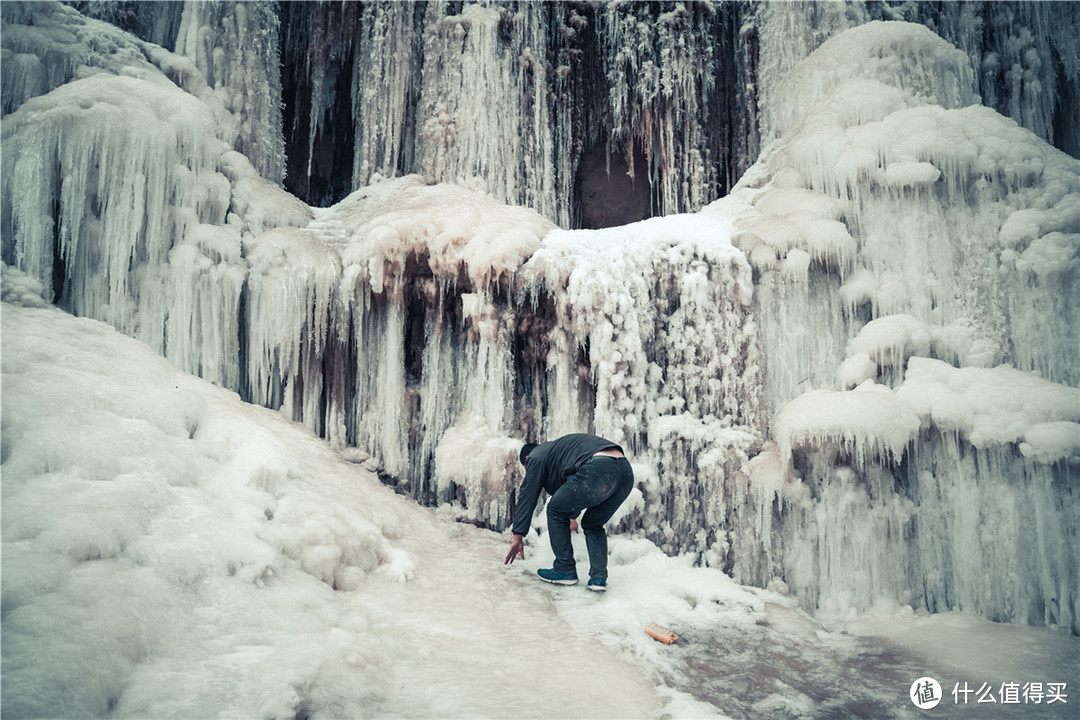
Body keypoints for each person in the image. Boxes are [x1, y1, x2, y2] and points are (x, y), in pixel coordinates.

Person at [503, 433, 634, 592]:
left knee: (554, 510)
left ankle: (564, 570)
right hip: (625, 472)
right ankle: (598, 578)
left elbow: (527, 494)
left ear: (526, 460)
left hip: (598, 468)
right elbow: (571, 490)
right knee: (593, 524)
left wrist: (518, 535)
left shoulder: (535, 456)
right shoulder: (560, 453)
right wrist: (572, 517)